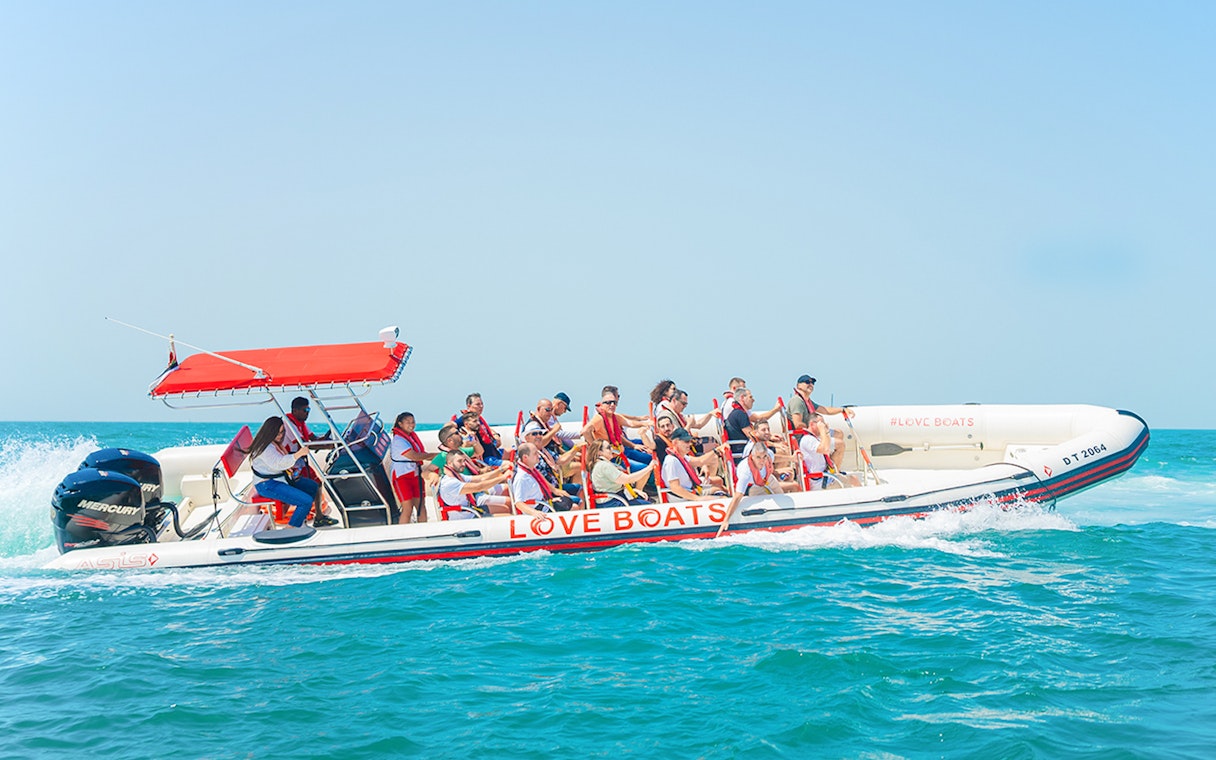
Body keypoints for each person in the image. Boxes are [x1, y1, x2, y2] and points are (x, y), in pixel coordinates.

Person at [247, 416, 331, 529]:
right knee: (305, 502)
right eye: (277, 433)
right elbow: (279, 463)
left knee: (313, 486)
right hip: (267, 484)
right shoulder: (266, 448)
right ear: (269, 432)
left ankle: (301, 520)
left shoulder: (274, 443)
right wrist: (298, 454)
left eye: (282, 432)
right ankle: (291, 528)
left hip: (281, 479)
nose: (280, 435)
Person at [280, 396, 338, 525]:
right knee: (305, 488)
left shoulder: (301, 423)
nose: (307, 412)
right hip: (291, 463)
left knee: (317, 484)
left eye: (308, 409)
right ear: (295, 411)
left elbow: (313, 438)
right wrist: (327, 446)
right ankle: (297, 520)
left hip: (299, 461)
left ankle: (319, 517)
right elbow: (305, 445)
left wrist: (327, 439)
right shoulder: (288, 424)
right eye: (305, 410)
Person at [582, 390, 650, 472]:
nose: (612, 405)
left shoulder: (614, 416)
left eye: (614, 403)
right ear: (602, 404)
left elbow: (630, 423)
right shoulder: (599, 419)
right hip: (611, 459)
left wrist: (645, 423)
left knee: (650, 458)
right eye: (609, 402)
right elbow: (585, 431)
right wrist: (596, 448)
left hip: (619, 453)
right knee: (644, 469)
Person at [436, 450, 517, 520]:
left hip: (471, 509)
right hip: (466, 517)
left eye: (464, 461)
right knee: (507, 516)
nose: (463, 464)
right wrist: (503, 477)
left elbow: (481, 478)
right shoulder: (450, 483)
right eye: (459, 461)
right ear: (449, 463)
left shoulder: (456, 476)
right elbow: (479, 487)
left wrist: (501, 469)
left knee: (505, 508)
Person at [390, 412, 436, 524]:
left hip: (415, 474)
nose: (411, 425)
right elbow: (415, 456)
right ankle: (403, 533)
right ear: (400, 424)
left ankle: (423, 531)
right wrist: (435, 455)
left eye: (413, 422)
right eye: (408, 422)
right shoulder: (398, 441)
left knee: (421, 505)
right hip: (402, 476)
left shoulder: (411, 437)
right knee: (408, 507)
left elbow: (420, 454)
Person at [788, 374, 846, 463]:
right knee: (840, 444)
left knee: (839, 433)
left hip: (810, 433)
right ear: (798, 385)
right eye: (807, 382)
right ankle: (834, 471)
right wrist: (819, 428)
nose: (811, 384)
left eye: (813, 383)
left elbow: (825, 410)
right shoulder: (797, 401)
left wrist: (842, 410)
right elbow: (798, 424)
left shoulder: (807, 401)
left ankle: (829, 463)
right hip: (803, 438)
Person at [661, 428, 727, 501]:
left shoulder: (682, 456)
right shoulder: (671, 461)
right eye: (686, 441)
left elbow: (700, 461)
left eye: (690, 441)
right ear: (675, 442)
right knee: (722, 496)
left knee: (719, 483)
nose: (689, 444)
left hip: (691, 489)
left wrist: (716, 450)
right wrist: (698, 498)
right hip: (683, 497)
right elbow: (675, 488)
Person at [798, 413, 860, 489]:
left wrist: (826, 432)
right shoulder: (807, 439)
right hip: (820, 483)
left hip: (826, 477)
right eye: (821, 423)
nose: (823, 425)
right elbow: (825, 449)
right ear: (812, 424)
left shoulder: (814, 439)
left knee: (854, 479)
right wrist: (823, 431)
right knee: (854, 483)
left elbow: (827, 446)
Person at [512, 442, 577, 512]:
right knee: (575, 507)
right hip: (540, 510)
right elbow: (518, 503)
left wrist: (554, 491)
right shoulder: (521, 478)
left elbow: (542, 480)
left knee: (571, 501)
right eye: (535, 454)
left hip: (545, 502)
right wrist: (535, 512)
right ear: (525, 457)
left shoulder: (532, 470)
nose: (539, 456)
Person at [589, 440, 655, 506]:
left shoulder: (601, 464)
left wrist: (634, 490)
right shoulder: (604, 466)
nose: (612, 449)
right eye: (608, 448)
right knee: (649, 507)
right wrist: (649, 468)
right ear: (599, 452)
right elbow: (627, 479)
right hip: (611, 502)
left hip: (615, 497)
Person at [451, 393, 503, 465]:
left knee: (517, 451)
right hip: (487, 458)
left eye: (482, 404)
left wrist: (495, 434)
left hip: (494, 451)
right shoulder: (466, 419)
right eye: (478, 404)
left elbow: (486, 428)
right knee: (511, 463)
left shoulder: (477, 418)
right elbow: (452, 424)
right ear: (469, 406)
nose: (481, 406)